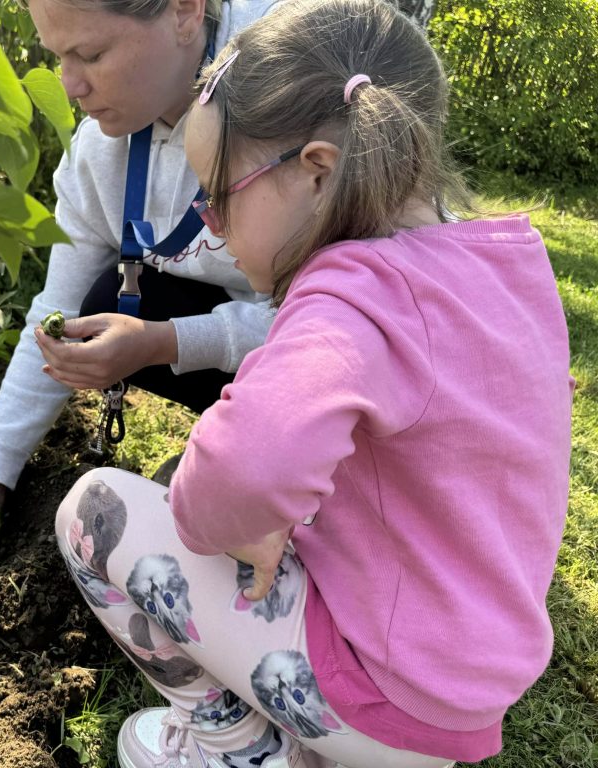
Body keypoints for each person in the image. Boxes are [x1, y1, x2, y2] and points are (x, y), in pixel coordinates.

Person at [53, 1, 573, 767]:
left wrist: (237, 515)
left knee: (96, 510)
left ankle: (236, 748)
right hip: (465, 684)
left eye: (218, 194)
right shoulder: (509, 265)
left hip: (377, 693)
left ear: (318, 171)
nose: (211, 226)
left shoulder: (345, 299)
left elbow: (223, 489)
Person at [0, 0, 285, 571]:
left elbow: (337, 323)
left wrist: (162, 341)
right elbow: (55, 311)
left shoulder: (292, 113)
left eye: (93, 54)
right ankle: (235, 451)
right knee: (95, 303)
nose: (70, 85)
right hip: (251, 333)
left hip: (345, 357)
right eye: (58, 57)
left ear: (183, 11)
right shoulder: (102, 153)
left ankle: (266, 468)